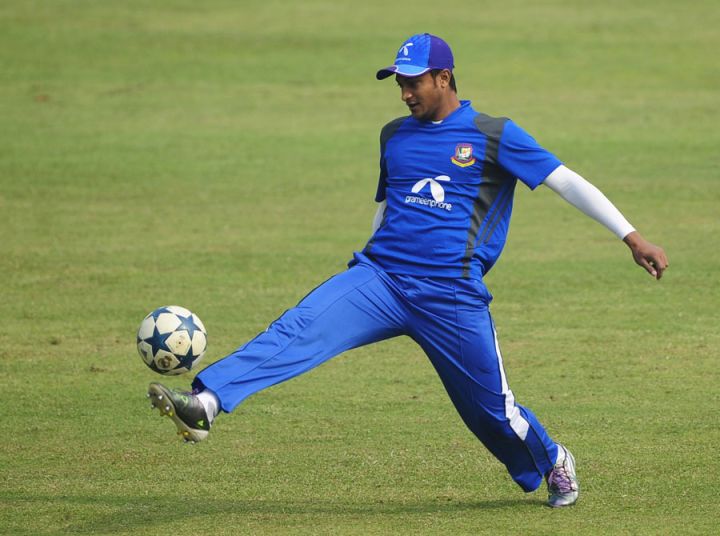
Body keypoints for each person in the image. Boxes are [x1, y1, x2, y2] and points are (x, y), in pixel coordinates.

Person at [147, 33, 668, 508]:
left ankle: (551, 460)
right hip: (381, 279)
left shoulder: (494, 134)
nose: (404, 94)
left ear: (444, 78)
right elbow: (387, 203)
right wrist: (361, 266)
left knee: (489, 411)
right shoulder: (394, 135)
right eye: (399, 83)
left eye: (413, 82)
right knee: (298, 328)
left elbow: (565, 181)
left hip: (451, 295)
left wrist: (631, 236)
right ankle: (207, 402)